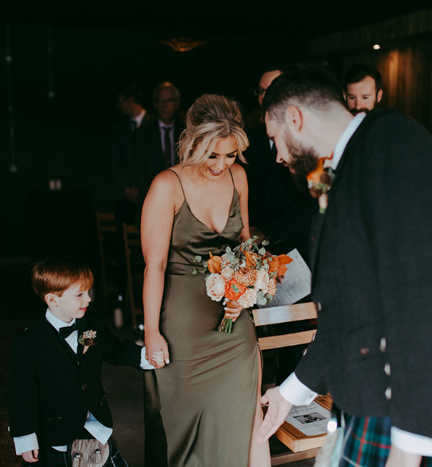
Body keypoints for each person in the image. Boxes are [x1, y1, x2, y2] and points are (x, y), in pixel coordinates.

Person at [257, 63, 432, 466]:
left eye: (276, 139)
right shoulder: (344, 166)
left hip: (412, 412)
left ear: (295, 118)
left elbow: (424, 303)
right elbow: (351, 306)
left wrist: (409, 447)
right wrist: (291, 392)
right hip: (369, 394)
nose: (278, 155)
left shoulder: (396, 151)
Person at [140, 94, 270, 467]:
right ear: (193, 141)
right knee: (188, 423)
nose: (221, 165)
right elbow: (155, 266)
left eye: (230, 155)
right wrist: (151, 333)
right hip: (183, 321)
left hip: (233, 319)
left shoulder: (239, 177)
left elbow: (245, 244)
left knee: (243, 418)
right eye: (213, 154)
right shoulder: (167, 184)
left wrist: (246, 291)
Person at [8, 256, 165, 466]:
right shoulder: (27, 344)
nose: (88, 299)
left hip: (95, 424)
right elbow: (21, 394)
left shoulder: (92, 324)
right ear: (53, 300)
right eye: (80, 294)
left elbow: (115, 350)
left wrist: (146, 356)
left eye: (88, 292)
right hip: (57, 433)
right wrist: (25, 437)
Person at [244, 65, 316, 262]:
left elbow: (311, 199)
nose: (265, 96)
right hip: (254, 246)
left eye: (273, 88)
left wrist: (266, 231)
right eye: (261, 90)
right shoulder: (246, 139)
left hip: (297, 242)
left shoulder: (307, 139)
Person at [134, 82, 184, 206]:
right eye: (161, 100)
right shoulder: (143, 133)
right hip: (150, 200)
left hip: (182, 200)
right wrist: (157, 194)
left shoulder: (186, 132)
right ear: (155, 104)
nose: (165, 105)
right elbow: (138, 169)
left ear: (177, 103)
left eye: (169, 100)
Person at [110, 84, 154, 225]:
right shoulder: (119, 129)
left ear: (130, 100)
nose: (118, 106)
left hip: (151, 194)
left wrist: (144, 189)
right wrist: (127, 187)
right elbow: (115, 161)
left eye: (120, 101)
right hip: (126, 197)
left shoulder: (154, 123)